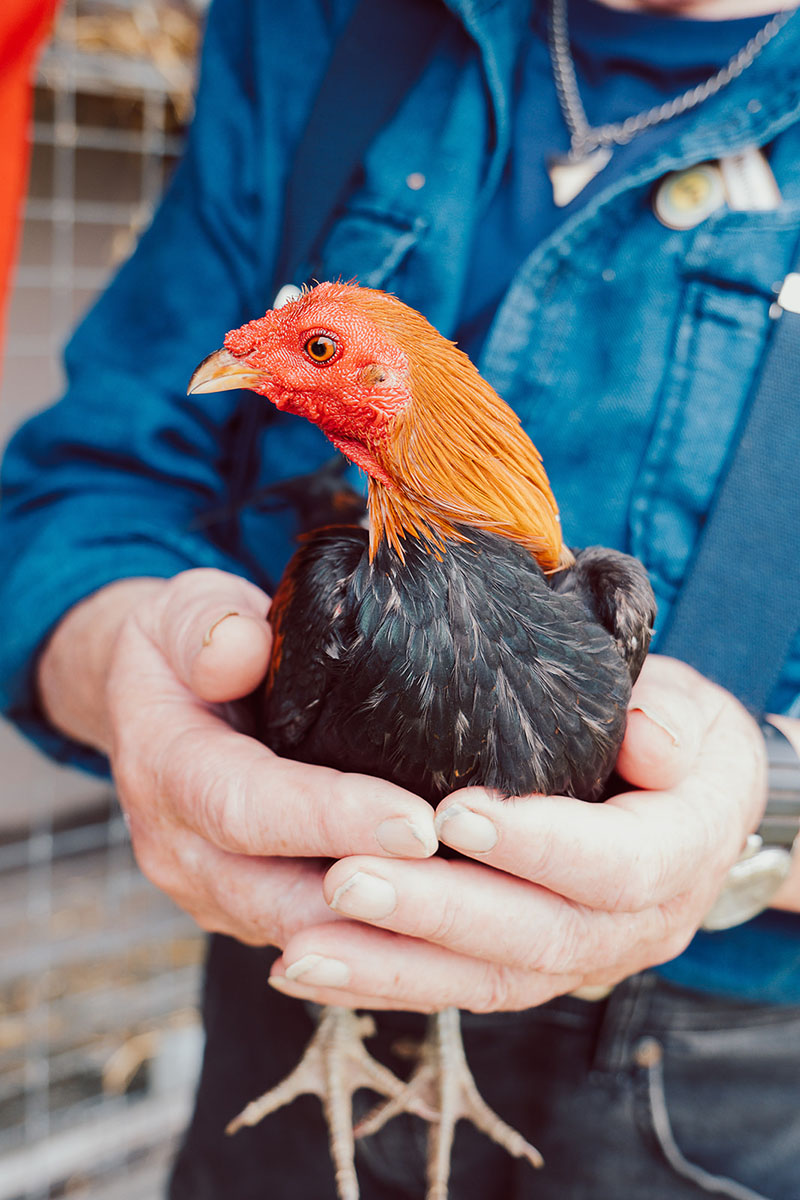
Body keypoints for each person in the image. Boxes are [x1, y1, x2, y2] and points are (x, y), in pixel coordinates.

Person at [1, 0, 799, 1196]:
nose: (249, 364)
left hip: (717, 1083)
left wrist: (761, 808)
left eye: (308, 353)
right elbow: (85, 485)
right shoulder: (314, 25)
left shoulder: (592, 602)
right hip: (292, 975)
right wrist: (131, 667)